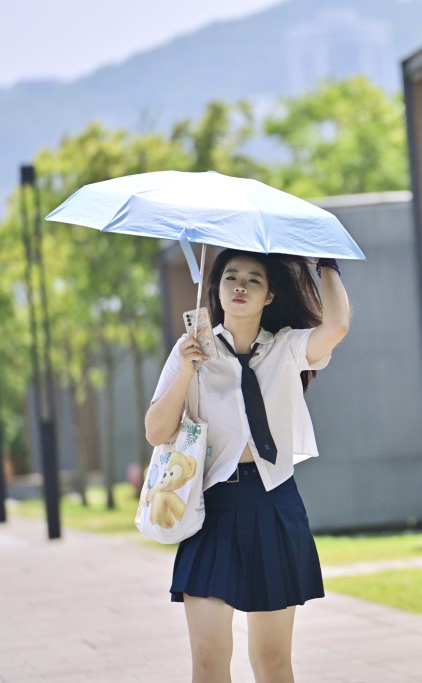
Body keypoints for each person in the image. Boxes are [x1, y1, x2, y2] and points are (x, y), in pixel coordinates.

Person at [145, 249, 350, 683]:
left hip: (273, 505)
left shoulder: (288, 347)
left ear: (270, 294)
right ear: (216, 290)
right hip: (212, 511)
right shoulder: (191, 351)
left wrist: (327, 264)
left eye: (253, 280)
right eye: (230, 278)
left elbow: (337, 326)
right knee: (207, 658)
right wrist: (185, 367)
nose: (239, 286)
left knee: (272, 662)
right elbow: (156, 430)